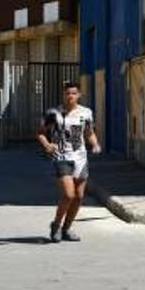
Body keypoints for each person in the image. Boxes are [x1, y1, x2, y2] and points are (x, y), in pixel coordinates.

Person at [37, 81, 100, 243]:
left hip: (80, 157)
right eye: (67, 93)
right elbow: (40, 133)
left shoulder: (86, 113)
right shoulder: (53, 113)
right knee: (68, 194)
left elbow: (89, 132)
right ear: (63, 95)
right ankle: (56, 225)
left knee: (79, 196)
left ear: (79, 95)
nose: (70, 96)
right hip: (62, 156)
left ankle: (67, 228)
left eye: (73, 93)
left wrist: (95, 144)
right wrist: (47, 144)